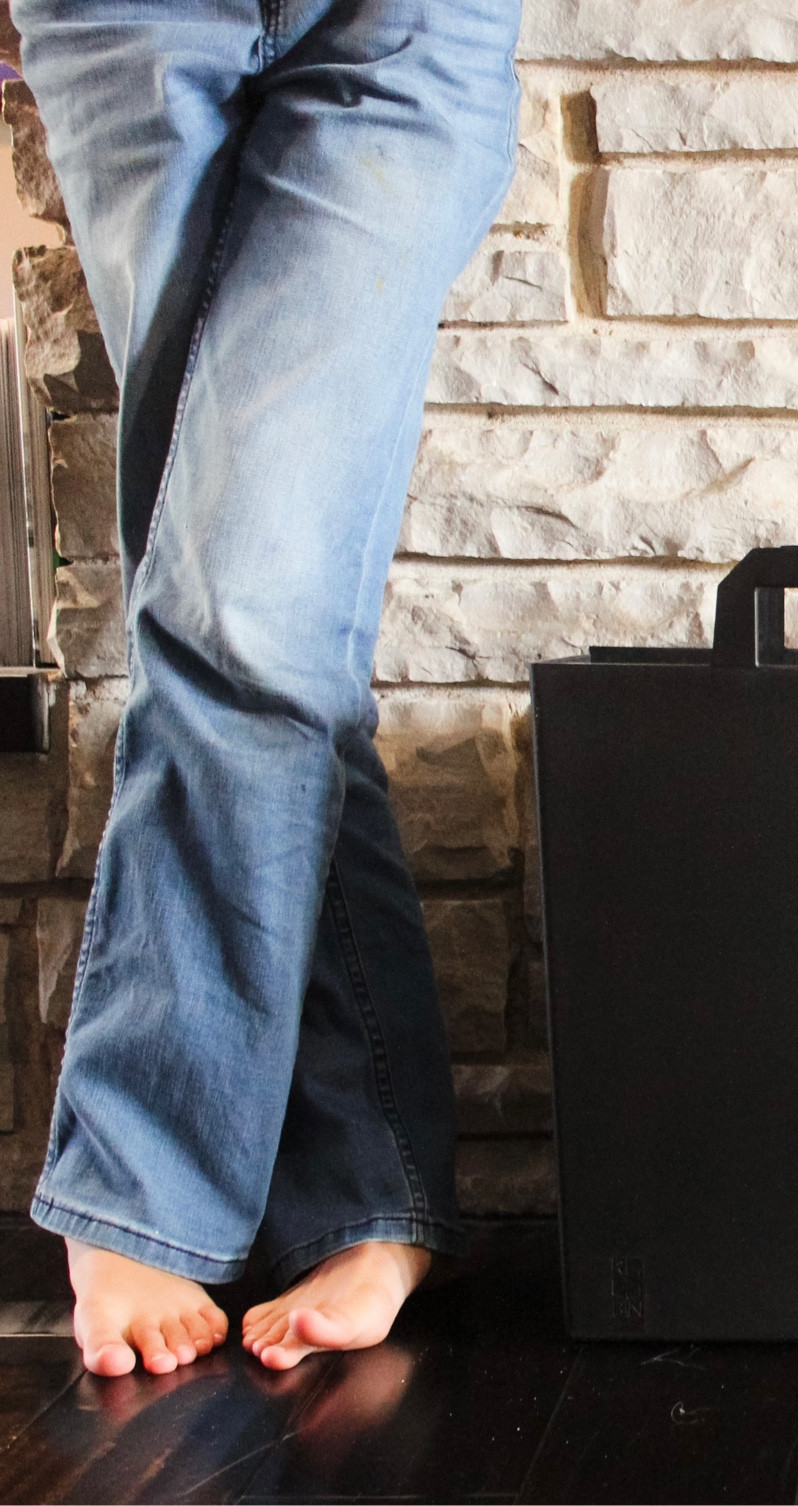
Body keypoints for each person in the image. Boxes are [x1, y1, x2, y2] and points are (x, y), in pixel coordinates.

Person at [13, 0, 522, 1375]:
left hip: (401, 24)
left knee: (241, 595)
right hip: (122, 18)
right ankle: (368, 1177)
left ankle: (146, 1170)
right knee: (259, 603)